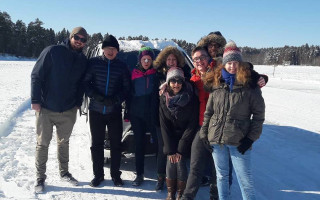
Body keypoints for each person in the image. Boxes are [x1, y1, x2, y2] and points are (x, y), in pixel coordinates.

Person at [182, 32, 268, 200]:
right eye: (229, 63)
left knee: (245, 180)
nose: (232, 66)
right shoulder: (216, 82)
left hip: (238, 139)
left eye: (235, 62)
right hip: (215, 135)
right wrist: (205, 132)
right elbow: (209, 111)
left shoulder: (249, 85)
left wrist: (250, 139)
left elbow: (258, 117)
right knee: (217, 174)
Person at [31, 26, 88, 192]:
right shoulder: (52, 51)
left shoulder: (82, 60)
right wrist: (35, 100)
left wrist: (77, 103)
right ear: (71, 36)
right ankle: (40, 178)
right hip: (46, 109)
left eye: (83, 40)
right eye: (77, 37)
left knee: (64, 143)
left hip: (68, 110)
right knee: (42, 144)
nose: (79, 42)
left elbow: (81, 85)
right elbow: (36, 75)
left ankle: (64, 173)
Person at [83, 35, 131, 187]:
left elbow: (126, 88)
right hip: (96, 111)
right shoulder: (94, 63)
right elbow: (85, 83)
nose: (111, 51)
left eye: (114, 49)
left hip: (114, 112)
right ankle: (98, 175)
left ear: (117, 51)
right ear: (103, 49)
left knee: (116, 145)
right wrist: (97, 97)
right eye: (108, 48)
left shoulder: (122, 66)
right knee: (96, 144)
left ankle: (116, 175)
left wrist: (115, 100)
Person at [152, 46, 192, 191]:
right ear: (164, 60)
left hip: (181, 119)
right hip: (162, 117)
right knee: (164, 150)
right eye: (168, 59)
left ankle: (179, 183)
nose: (171, 61)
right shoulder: (157, 74)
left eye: (173, 59)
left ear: (178, 60)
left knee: (180, 151)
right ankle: (160, 177)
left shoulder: (185, 73)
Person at [159, 67, 199, 200]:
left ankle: (180, 193)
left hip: (185, 136)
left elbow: (192, 124)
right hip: (171, 135)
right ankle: (170, 192)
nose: (176, 84)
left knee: (180, 160)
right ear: (168, 82)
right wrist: (170, 149)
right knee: (170, 160)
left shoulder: (191, 97)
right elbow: (164, 124)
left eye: (179, 81)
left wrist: (180, 148)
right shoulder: (164, 98)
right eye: (173, 81)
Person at [128, 47, 159, 186]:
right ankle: (139, 174)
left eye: (149, 59)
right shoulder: (133, 74)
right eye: (144, 59)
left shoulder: (157, 74)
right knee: (139, 144)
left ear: (152, 60)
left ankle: (161, 174)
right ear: (140, 60)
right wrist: (127, 112)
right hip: (137, 114)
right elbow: (128, 94)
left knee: (159, 144)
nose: (146, 61)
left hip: (153, 114)